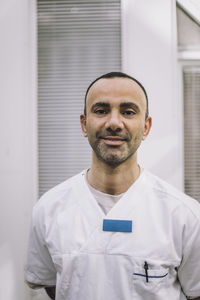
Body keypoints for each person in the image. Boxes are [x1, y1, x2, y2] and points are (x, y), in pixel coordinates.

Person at [25, 72, 200, 300]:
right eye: (101, 111)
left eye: (128, 112)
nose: (114, 123)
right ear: (84, 124)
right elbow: (50, 285)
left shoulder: (185, 215)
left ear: (146, 127)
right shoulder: (48, 209)